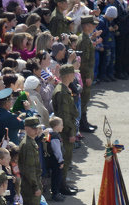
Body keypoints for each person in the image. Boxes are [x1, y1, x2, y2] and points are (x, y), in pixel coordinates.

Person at [18, 116, 44, 205]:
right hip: (30, 186)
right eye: (33, 128)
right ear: (26, 128)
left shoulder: (31, 142)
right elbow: (28, 169)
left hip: (33, 183)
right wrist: (35, 187)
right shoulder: (27, 144)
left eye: (37, 128)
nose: (36, 130)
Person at [51, 64, 79, 195]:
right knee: (65, 159)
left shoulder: (63, 89)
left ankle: (63, 185)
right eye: (73, 73)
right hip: (65, 131)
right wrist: (71, 132)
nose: (74, 75)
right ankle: (62, 187)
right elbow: (65, 116)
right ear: (68, 75)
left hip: (64, 128)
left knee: (66, 159)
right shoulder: (62, 92)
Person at [76, 15, 97, 132]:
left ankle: (84, 122)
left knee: (85, 99)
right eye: (92, 24)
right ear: (87, 26)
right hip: (84, 74)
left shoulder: (85, 38)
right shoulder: (84, 40)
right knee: (84, 98)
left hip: (85, 73)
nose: (94, 27)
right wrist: (88, 76)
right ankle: (83, 124)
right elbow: (84, 61)